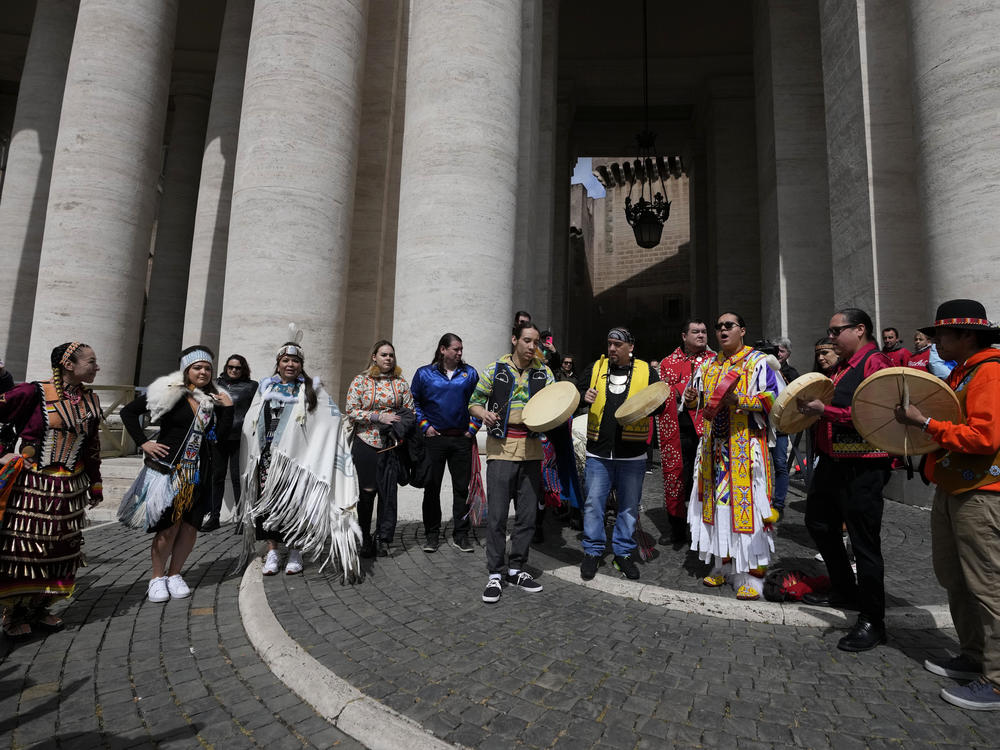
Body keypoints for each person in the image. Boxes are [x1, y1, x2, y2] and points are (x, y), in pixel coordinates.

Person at [894, 299, 1000, 710]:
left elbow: (985, 437)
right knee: (955, 578)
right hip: (956, 488)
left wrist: (924, 423)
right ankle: (975, 656)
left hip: (982, 494)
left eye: (942, 334)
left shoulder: (989, 372)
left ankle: (996, 680)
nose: (935, 341)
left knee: (987, 585)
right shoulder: (965, 372)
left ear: (966, 336)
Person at [798, 308, 892, 651]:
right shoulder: (842, 367)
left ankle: (873, 620)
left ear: (860, 329)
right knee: (819, 523)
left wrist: (828, 413)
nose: (832, 337)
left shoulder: (875, 364)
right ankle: (844, 589)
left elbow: (879, 415)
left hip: (864, 465)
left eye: (837, 331)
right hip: (834, 461)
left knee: (864, 541)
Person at [0, 343, 103, 637]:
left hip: (71, 487)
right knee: (24, 548)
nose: (97, 367)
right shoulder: (33, 392)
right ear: (68, 364)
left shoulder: (90, 400)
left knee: (60, 548)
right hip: (32, 485)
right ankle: (14, 611)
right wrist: (2, 453)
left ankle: (40, 608)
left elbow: (91, 446)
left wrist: (95, 484)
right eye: (92, 361)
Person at [239, 336, 359, 578]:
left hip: (297, 463)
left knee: (297, 506)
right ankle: (272, 552)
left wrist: (344, 425)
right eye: (286, 360)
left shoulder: (312, 390)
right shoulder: (266, 388)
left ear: (301, 365)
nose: (290, 365)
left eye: (295, 361)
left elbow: (331, 417)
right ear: (278, 363)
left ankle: (295, 552)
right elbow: (251, 420)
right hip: (267, 460)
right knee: (268, 508)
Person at [120, 346, 233, 603]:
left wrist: (227, 409)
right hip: (169, 470)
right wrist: (143, 442)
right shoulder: (169, 392)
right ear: (186, 370)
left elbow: (220, 437)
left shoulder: (212, 399)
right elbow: (128, 412)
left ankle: (175, 574)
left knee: (191, 527)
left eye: (207, 368)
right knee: (168, 527)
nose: (203, 372)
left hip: (199, 471)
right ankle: (157, 577)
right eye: (197, 367)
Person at [685, 314, 780, 600]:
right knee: (715, 508)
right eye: (719, 326)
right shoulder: (709, 365)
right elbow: (700, 402)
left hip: (746, 450)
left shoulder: (758, 362)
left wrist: (741, 401)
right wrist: (691, 399)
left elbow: (774, 400)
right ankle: (723, 566)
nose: (723, 330)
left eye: (729, 325)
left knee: (749, 510)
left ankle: (751, 575)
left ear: (743, 330)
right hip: (714, 451)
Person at [468, 321, 554, 603]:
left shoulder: (544, 372)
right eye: (528, 341)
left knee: (528, 515)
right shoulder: (494, 370)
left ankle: (517, 568)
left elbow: (555, 404)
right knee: (497, 516)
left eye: (536, 342)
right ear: (514, 340)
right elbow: (474, 401)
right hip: (501, 448)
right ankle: (496, 572)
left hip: (531, 450)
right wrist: (484, 414)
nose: (533, 347)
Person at [578, 328, 663, 581]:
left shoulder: (647, 372)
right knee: (594, 504)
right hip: (598, 452)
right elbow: (575, 392)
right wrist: (584, 395)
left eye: (617, 344)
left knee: (628, 506)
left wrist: (646, 407)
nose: (612, 349)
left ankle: (623, 553)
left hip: (633, 454)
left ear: (630, 347)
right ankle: (592, 552)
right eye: (609, 344)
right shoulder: (595, 368)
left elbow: (659, 405)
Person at [410, 333, 481, 553]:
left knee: (462, 489)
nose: (460, 353)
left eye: (461, 349)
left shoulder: (469, 374)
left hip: (461, 439)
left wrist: (472, 429)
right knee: (431, 489)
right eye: (455, 349)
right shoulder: (424, 374)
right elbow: (414, 402)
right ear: (443, 350)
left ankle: (461, 535)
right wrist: (424, 426)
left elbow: (479, 401)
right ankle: (432, 535)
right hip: (434, 440)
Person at [345, 340, 414, 558]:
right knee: (367, 492)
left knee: (388, 493)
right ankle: (364, 537)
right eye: (384, 354)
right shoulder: (361, 381)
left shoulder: (401, 383)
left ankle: (384, 538)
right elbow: (351, 410)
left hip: (391, 443)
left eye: (391, 355)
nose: (388, 359)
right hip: (366, 442)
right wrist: (378, 416)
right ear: (374, 356)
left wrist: (398, 425)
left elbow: (410, 411)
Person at [656, 319, 714, 544]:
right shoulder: (668, 363)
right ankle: (677, 529)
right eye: (695, 331)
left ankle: (707, 530)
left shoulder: (716, 361)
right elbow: (661, 391)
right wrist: (681, 391)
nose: (701, 335)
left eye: (704, 331)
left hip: (707, 431)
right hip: (677, 431)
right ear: (684, 336)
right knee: (676, 479)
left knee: (706, 479)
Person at [204, 354, 258, 532]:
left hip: (240, 437)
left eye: (238, 368)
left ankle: (242, 517)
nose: (234, 370)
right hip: (218, 437)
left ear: (243, 369)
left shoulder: (251, 386)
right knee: (217, 477)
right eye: (230, 367)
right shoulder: (215, 384)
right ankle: (214, 517)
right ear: (226, 367)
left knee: (238, 478)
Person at [770, 336, 800, 518]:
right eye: (775, 350)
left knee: (781, 465)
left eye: (781, 351)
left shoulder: (791, 372)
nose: (778, 354)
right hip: (762, 427)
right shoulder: (762, 368)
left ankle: (779, 503)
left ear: (788, 353)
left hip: (780, 427)